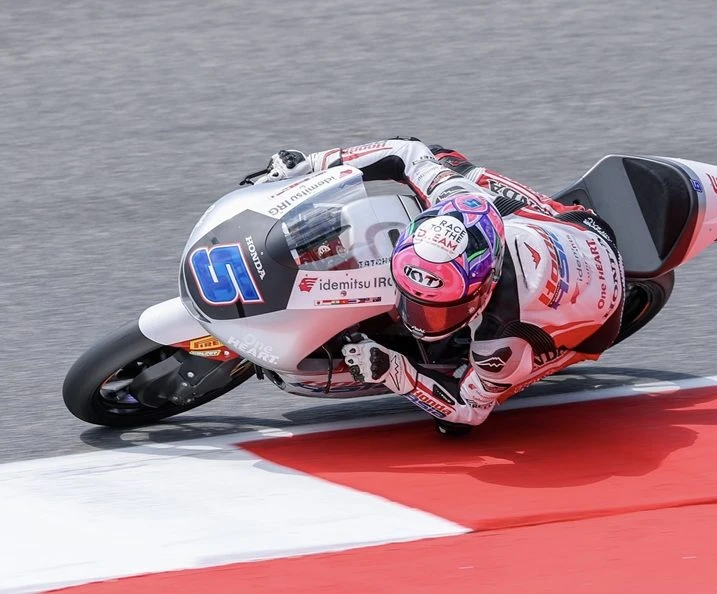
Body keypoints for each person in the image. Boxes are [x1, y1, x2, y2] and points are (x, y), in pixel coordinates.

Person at [262, 137, 624, 434]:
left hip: (603, 305)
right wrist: (312, 165)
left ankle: (563, 352)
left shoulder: (502, 337)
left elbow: (469, 411)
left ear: (484, 288)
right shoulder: (457, 201)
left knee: (453, 421)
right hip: (562, 229)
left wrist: (396, 373)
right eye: (413, 301)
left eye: (441, 309)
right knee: (441, 157)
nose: (416, 318)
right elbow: (407, 151)